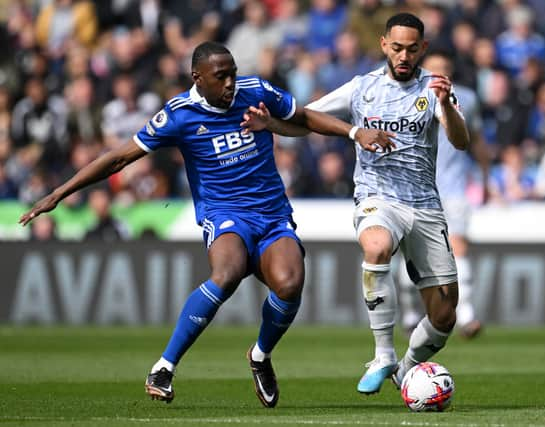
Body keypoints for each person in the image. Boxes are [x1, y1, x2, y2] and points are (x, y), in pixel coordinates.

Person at [19, 41, 392, 408]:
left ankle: (260, 355)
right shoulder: (179, 115)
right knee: (226, 273)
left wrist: (354, 132)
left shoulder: (256, 90)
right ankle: (164, 367)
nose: (230, 83)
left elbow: (305, 118)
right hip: (224, 212)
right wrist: (59, 193)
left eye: (232, 73)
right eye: (221, 76)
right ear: (197, 78)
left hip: (272, 212)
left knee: (291, 284)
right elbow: (119, 158)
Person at [241, 13, 470, 394]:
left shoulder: (435, 88)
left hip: (426, 205)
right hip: (377, 197)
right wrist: (273, 126)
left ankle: (406, 369)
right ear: (383, 44)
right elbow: (310, 117)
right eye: (396, 48)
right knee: (376, 247)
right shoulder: (361, 88)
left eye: (412, 49)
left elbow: (461, 141)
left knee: (445, 315)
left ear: (423, 49)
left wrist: (445, 106)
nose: (403, 56)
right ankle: (382, 354)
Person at [398, 51, 487, 339]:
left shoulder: (466, 99)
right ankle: (412, 313)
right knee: (411, 254)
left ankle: (467, 315)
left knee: (459, 246)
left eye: (445, 68)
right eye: (433, 68)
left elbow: (477, 140)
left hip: (454, 188)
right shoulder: (405, 97)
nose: (439, 73)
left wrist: (486, 180)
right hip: (414, 188)